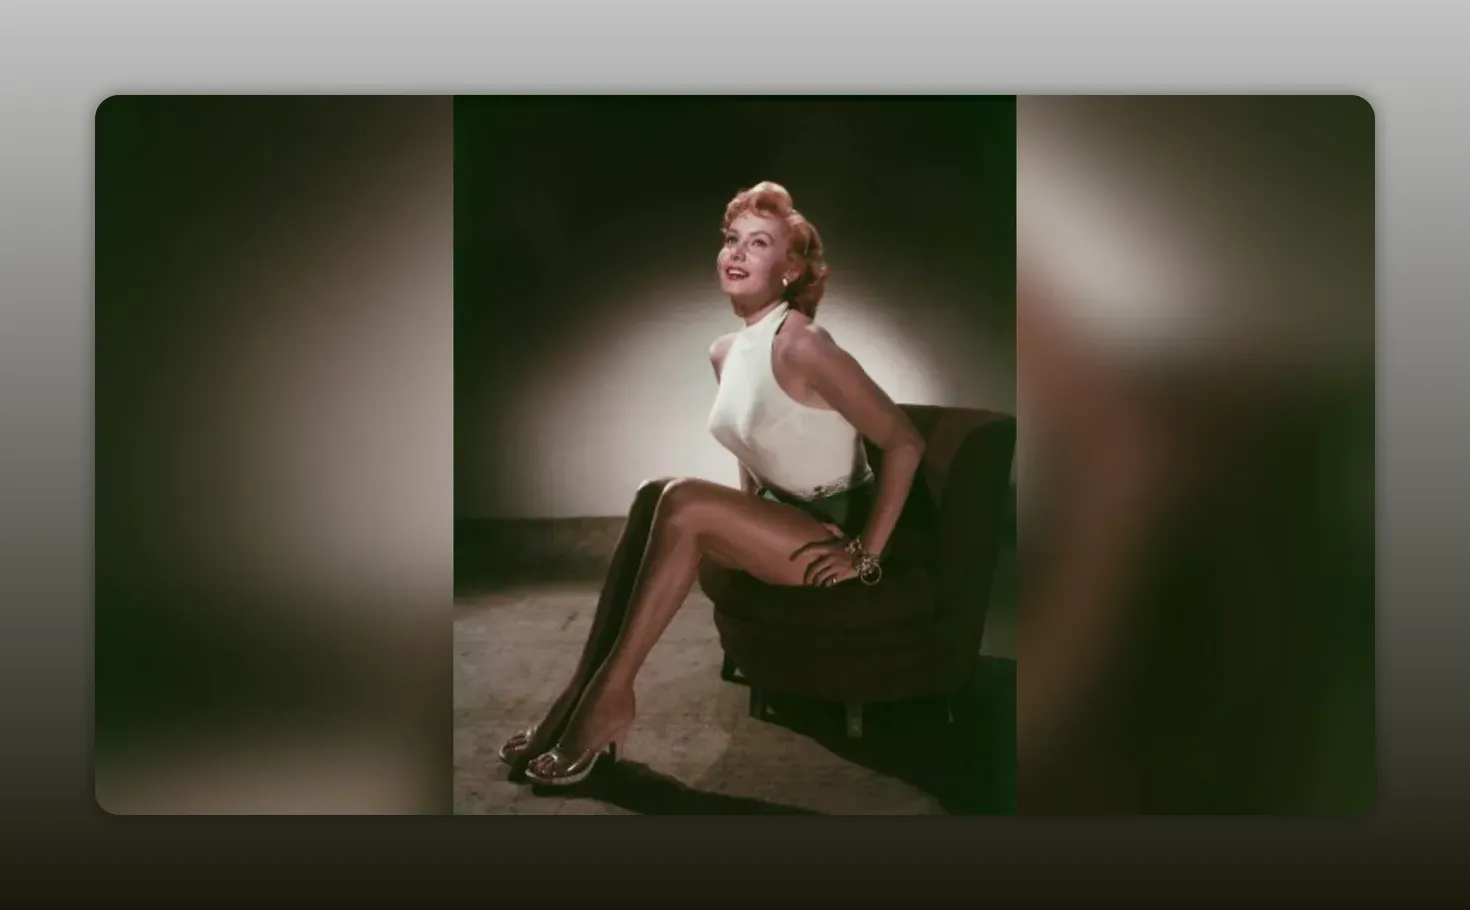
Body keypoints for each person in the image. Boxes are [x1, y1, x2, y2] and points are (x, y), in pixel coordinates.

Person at [498, 181, 927, 787]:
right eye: (732, 239)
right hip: (781, 520)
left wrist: (866, 554)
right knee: (654, 493)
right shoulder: (726, 351)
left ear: (789, 268)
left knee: (682, 499)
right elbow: (750, 447)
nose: (737, 253)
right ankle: (578, 694)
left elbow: (906, 442)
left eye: (759, 243)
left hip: (832, 528)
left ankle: (610, 700)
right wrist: (743, 523)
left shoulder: (804, 344)